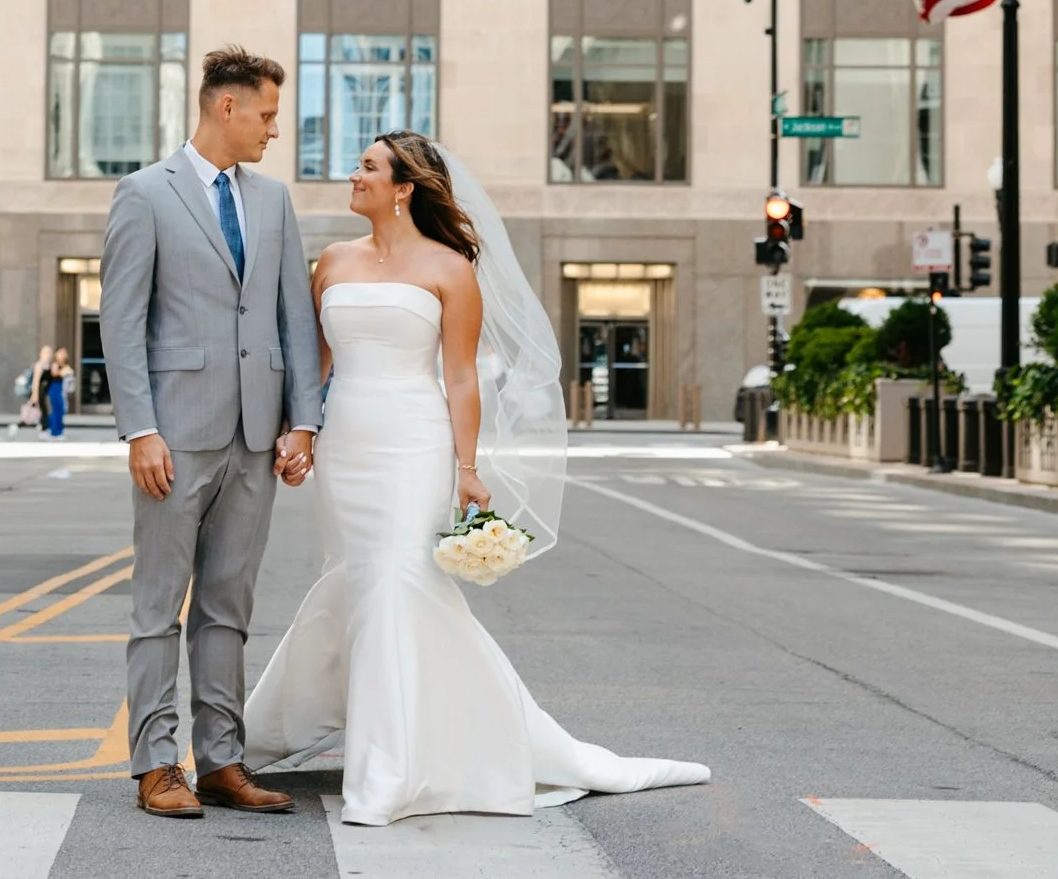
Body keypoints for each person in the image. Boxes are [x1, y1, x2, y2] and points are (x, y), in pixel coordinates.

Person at [245, 133, 711, 826]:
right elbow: (313, 363)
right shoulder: (333, 262)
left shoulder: (450, 267)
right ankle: (366, 738)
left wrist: (467, 469)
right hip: (346, 448)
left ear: (404, 187)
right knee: (360, 581)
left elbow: (461, 378)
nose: (354, 174)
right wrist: (300, 432)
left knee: (399, 582)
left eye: (368, 166)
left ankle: (392, 769)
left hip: (414, 443)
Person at [100, 47, 322, 821]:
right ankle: (156, 764)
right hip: (175, 433)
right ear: (224, 108)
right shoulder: (143, 194)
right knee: (157, 606)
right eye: (265, 114)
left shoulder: (272, 201)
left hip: (256, 436)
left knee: (228, 604)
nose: (272, 130)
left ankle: (222, 759)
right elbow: (120, 323)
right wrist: (140, 430)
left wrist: (303, 420)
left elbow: (294, 315)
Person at [42, 344, 74, 437]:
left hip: (62, 388)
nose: (63, 355)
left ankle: (59, 430)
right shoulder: (55, 364)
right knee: (56, 410)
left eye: (65, 353)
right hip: (54, 388)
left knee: (61, 409)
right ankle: (54, 431)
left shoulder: (65, 365)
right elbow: (54, 373)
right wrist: (64, 372)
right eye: (61, 353)